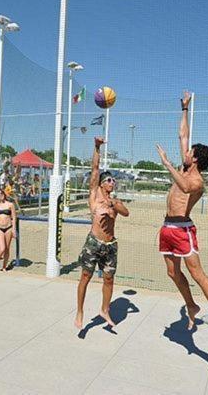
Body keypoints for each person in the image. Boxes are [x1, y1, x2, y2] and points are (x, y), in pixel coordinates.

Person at [155, 91, 208, 345]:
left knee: (197, 274)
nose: (185, 151)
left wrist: (166, 163)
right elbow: (183, 135)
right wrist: (184, 109)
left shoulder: (197, 180)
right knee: (173, 273)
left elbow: (184, 188)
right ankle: (191, 306)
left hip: (183, 230)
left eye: (189, 151)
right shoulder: (186, 167)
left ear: (194, 158)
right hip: (167, 227)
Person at [75, 137, 130, 330]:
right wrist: (97, 147)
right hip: (94, 243)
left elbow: (126, 213)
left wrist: (114, 204)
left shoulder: (114, 201)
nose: (112, 182)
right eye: (108, 180)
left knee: (109, 278)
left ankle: (105, 309)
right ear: (101, 183)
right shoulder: (94, 195)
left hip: (110, 245)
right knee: (85, 276)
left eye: (113, 180)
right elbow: (95, 168)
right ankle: (80, 311)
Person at [0, 189, 17, 271]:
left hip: (8, 227)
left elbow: (14, 217)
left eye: (1, 193)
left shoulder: (10, 204)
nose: (0, 195)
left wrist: (13, 229)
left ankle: (4, 266)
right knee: (2, 248)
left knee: (7, 248)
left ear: (4, 194)